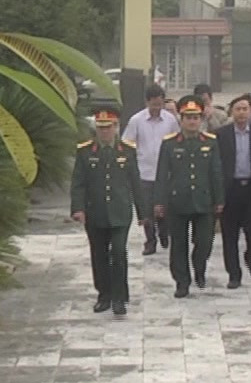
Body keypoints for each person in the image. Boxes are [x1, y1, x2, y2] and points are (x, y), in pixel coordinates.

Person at [70, 104, 148, 317]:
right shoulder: (85, 152)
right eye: (101, 127)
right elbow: (78, 183)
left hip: (120, 212)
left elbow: (135, 182)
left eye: (109, 127)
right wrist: (78, 208)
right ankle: (104, 295)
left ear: (116, 127)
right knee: (99, 255)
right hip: (95, 212)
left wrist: (143, 212)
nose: (105, 131)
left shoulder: (127, 151)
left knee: (119, 253)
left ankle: (120, 298)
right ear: (96, 128)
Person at [154, 98, 223, 298]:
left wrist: (219, 200)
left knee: (204, 243)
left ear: (201, 120)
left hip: (203, 201)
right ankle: (181, 281)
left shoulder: (210, 142)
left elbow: (216, 173)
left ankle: (199, 267)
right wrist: (159, 202)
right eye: (188, 118)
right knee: (178, 245)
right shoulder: (169, 144)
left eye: (196, 118)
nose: (192, 122)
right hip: (177, 201)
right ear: (181, 120)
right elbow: (161, 175)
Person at [216, 95, 251, 289]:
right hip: (230, 190)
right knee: (229, 236)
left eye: (245, 109)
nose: (241, 113)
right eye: (237, 109)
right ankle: (234, 274)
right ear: (231, 112)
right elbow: (217, 165)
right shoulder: (221, 134)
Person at [123, 84, 179, 255]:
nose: (156, 108)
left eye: (159, 104)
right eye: (153, 104)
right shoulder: (136, 120)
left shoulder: (170, 120)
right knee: (146, 209)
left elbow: (177, 142)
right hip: (144, 171)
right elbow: (127, 144)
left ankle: (164, 232)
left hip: (165, 173)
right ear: (147, 102)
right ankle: (150, 241)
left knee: (164, 207)